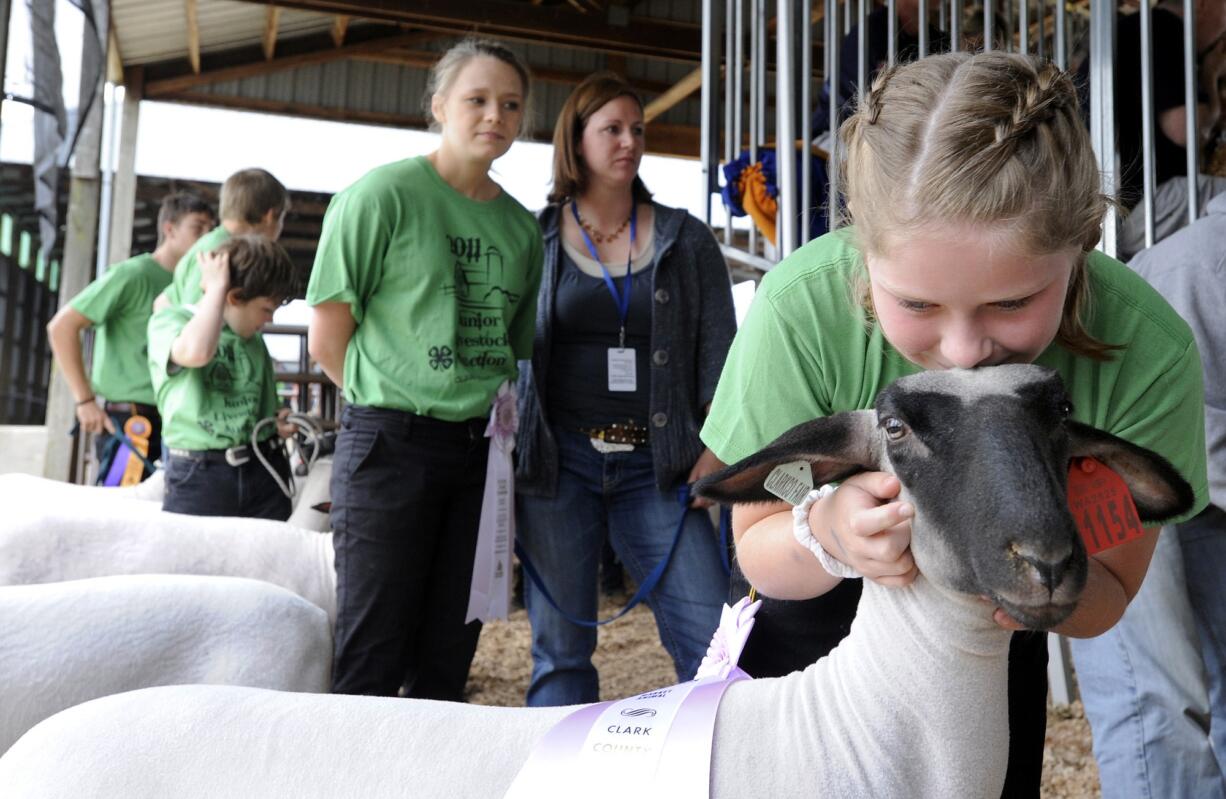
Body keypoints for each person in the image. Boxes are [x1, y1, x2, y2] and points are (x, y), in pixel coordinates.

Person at [700, 51, 1209, 799]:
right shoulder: (801, 311)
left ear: (1082, 241)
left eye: (1012, 303)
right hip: (811, 639)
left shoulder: (1146, 350)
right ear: (864, 252)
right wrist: (830, 531)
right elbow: (757, 546)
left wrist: (1042, 578)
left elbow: (1109, 591)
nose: (966, 348)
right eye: (916, 305)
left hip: (991, 639)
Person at [306, 39, 544, 701]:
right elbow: (329, 337)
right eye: (476, 99)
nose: (493, 114)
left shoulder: (522, 231)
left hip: (481, 456)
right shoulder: (381, 195)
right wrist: (396, 402)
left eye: (510, 104)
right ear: (439, 105)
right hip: (390, 442)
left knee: (449, 652)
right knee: (373, 649)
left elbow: (508, 353)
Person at [514, 73, 735, 707]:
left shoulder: (684, 238)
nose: (629, 142)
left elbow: (722, 356)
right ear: (575, 141)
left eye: (637, 130)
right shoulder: (535, 236)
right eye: (611, 129)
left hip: (660, 467)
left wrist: (716, 450)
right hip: (560, 465)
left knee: (711, 641)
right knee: (559, 653)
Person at [1069, 190, 1226, 799]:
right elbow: (1194, 439)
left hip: (1193, 448)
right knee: (1154, 686)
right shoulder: (1199, 266)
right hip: (1114, 434)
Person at [46, 192, 213, 482]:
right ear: (169, 229)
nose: (206, 237)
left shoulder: (198, 285)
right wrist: (84, 401)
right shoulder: (132, 275)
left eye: (211, 230)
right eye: (198, 228)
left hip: (179, 420)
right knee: (121, 511)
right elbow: (62, 327)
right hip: (133, 421)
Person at [148, 235, 302, 520]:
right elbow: (196, 353)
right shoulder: (171, 322)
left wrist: (275, 420)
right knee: (194, 563)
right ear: (232, 297)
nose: (270, 320)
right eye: (267, 309)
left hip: (264, 467)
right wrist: (216, 289)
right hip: (201, 474)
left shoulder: (254, 342)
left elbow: (261, 406)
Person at [1075, 0, 1226, 259]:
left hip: (1108, 206)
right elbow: (1185, 129)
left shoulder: (1130, 30)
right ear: (1202, 5)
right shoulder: (1167, 29)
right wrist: (1211, 77)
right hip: (1149, 202)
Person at [156, 167, 290, 310]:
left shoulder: (211, 244)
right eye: (282, 218)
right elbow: (193, 314)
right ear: (270, 216)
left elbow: (162, 302)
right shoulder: (220, 252)